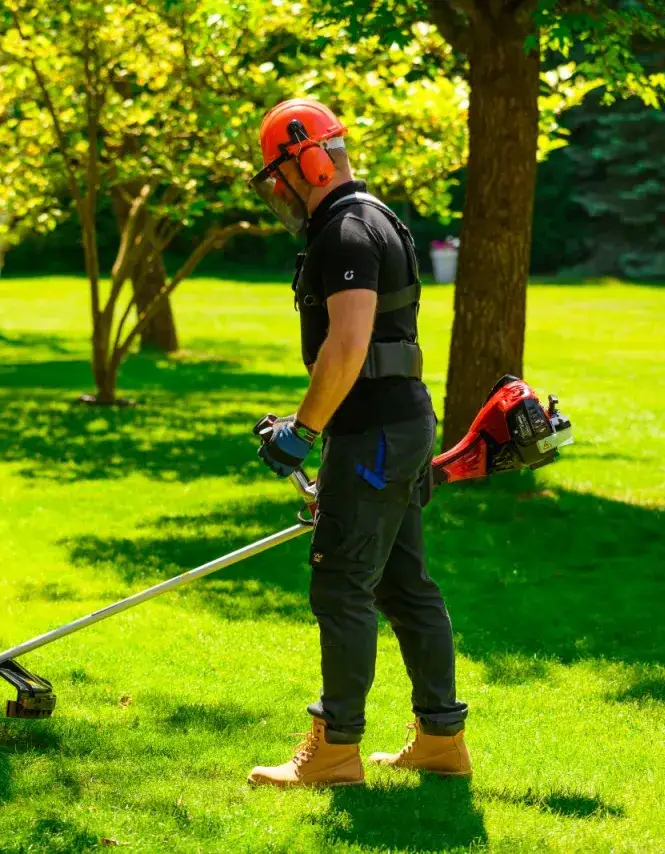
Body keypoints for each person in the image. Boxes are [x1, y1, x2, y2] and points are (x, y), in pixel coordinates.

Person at [246, 98, 471, 788]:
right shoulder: (377, 219)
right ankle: (441, 740)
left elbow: (348, 346)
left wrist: (300, 433)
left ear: (307, 159)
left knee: (341, 585)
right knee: (404, 586)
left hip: (372, 433)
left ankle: (334, 749)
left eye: (278, 174)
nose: (277, 190)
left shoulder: (344, 233)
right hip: (397, 423)